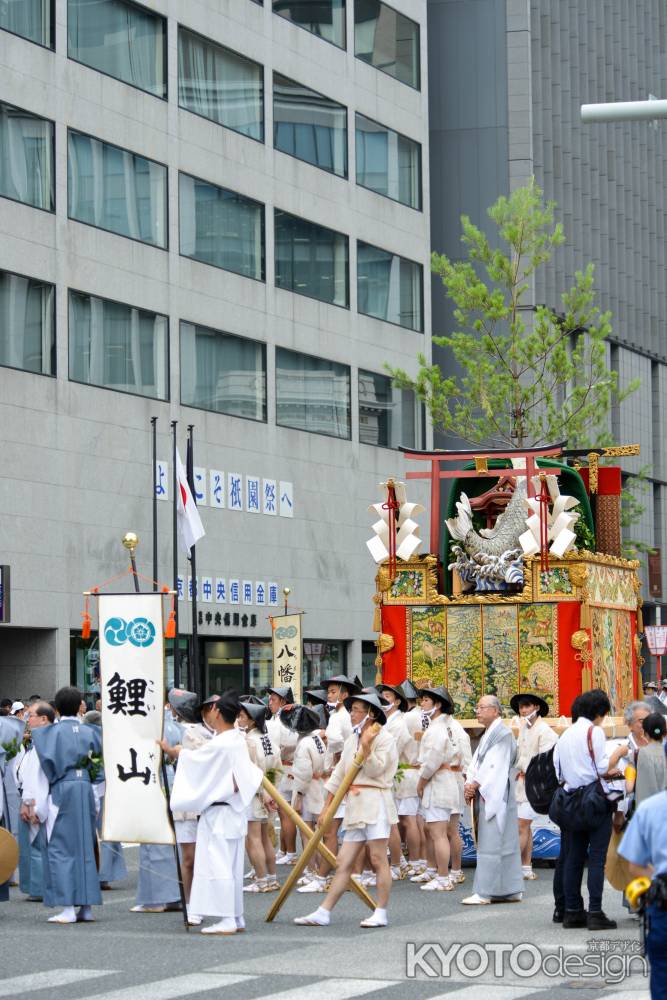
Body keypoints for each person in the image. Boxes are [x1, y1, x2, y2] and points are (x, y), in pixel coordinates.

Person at [295, 691, 398, 928]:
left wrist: (367, 747)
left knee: (377, 858)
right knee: (343, 862)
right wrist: (327, 807)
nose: (352, 714)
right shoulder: (353, 739)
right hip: (354, 804)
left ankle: (381, 911)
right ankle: (324, 911)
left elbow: (376, 770)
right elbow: (339, 775)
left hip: (376, 801)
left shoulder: (385, 738)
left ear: (371, 714)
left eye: (357, 710)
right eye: (352, 710)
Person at [169, 692, 262, 935]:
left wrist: (176, 752)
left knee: (219, 865)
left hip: (221, 812)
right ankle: (236, 917)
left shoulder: (223, 742)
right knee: (231, 867)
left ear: (218, 712)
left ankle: (228, 918)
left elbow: (197, 761)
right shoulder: (235, 739)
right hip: (232, 811)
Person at [22, 686, 102, 924]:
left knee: (60, 848)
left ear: (56, 708)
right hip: (85, 788)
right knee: (85, 848)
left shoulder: (48, 734)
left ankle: (67, 907)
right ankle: (86, 907)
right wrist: (95, 800)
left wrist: (36, 806)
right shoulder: (92, 732)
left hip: (62, 790)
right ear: (80, 706)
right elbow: (98, 770)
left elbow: (40, 774)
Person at [552, 688, 619, 930]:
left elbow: (558, 770)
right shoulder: (594, 732)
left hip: (570, 801)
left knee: (573, 857)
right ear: (599, 712)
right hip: (593, 801)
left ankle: (572, 911)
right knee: (597, 858)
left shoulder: (565, 735)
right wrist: (619, 754)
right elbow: (601, 767)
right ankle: (595, 912)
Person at [463, 694, 523, 905]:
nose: (477, 711)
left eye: (482, 707)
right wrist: (470, 781)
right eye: (477, 707)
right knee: (503, 842)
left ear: (495, 711)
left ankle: (486, 891)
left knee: (493, 842)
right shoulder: (490, 733)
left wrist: (475, 784)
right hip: (492, 790)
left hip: (496, 792)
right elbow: (476, 763)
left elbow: (494, 766)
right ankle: (509, 889)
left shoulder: (502, 734)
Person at [163, 688, 211, 918]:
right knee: (192, 857)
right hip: (191, 801)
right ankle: (191, 903)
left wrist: (173, 752)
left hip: (200, 800)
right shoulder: (187, 730)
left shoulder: (196, 732)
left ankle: (198, 902)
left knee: (196, 857)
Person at [618, 783, 667, 998]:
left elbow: (635, 866)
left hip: (663, 903)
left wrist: (657, 877)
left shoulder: (649, 808)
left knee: (662, 977)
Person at [413, 686, 461, 892]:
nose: (422, 704)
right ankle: (440, 874)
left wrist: (421, 782)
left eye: (426, 700)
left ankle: (443, 877)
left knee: (438, 833)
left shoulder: (437, 729)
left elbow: (433, 760)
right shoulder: (442, 726)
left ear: (438, 704)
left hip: (438, 782)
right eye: (422, 700)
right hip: (442, 780)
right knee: (436, 831)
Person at [510, 692, 558, 881]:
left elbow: (543, 762)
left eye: (527, 706)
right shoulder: (524, 728)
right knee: (525, 826)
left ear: (536, 707)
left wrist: (524, 767)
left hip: (535, 784)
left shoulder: (546, 731)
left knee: (521, 825)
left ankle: (513, 867)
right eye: (521, 707)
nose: (523, 710)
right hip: (523, 782)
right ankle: (525, 867)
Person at [237, 700, 280, 894]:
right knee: (265, 837)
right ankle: (272, 878)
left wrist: (262, 792)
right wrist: (271, 792)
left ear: (252, 721)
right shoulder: (268, 740)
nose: (239, 720)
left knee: (254, 838)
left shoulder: (249, 742)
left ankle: (261, 880)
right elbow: (276, 770)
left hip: (254, 794)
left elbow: (248, 773)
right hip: (268, 792)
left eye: (242, 717)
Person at [378, 682, 420, 879]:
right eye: (383, 696)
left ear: (397, 701)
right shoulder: (390, 721)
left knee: (408, 820)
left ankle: (415, 861)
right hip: (399, 774)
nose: (384, 699)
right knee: (399, 820)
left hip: (405, 773)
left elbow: (391, 751)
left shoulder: (398, 723)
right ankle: (404, 860)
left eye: (388, 696)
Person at [16, 702, 54, 900]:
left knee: (36, 844)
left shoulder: (44, 742)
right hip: (34, 796)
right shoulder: (41, 740)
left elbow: (36, 776)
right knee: (34, 844)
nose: (27, 719)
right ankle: (38, 886)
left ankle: (39, 887)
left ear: (43, 719)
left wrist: (30, 803)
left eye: (30, 715)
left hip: (38, 799)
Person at [265, 685, 298, 865]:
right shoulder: (286, 718)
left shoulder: (283, 720)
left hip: (285, 769)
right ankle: (284, 850)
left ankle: (290, 852)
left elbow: (279, 747)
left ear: (283, 701)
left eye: (273, 699)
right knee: (283, 812)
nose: (270, 703)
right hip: (286, 768)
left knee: (285, 814)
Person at [634, 714, 667, 806]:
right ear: (664, 733)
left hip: (652, 807)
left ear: (646, 733)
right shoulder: (664, 750)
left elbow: (644, 788)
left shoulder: (644, 753)